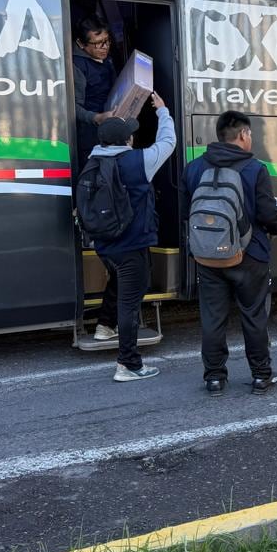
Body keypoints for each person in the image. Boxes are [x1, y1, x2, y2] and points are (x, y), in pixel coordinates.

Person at [184, 111, 277, 396]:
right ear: (242, 135)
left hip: (207, 257)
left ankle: (215, 377)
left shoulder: (193, 168)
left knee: (213, 317)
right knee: (254, 315)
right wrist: (275, 228)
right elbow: (268, 214)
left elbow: (184, 214)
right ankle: (261, 376)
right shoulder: (255, 169)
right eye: (250, 134)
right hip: (250, 256)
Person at [89, 95, 177, 381]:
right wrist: (163, 112)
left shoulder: (92, 163)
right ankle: (128, 364)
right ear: (126, 141)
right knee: (130, 302)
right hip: (133, 244)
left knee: (120, 281)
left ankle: (104, 326)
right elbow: (168, 142)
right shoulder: (138, 161)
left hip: (105, 245)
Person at [73, 17, 116, 170]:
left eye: (107, 40)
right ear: (80, 44)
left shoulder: (104, 58)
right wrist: (96, 118)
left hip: (108, 129)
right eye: (98, 43)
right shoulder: (76, 67)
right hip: (89, 136)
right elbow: (73, 107)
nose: (105, 47)